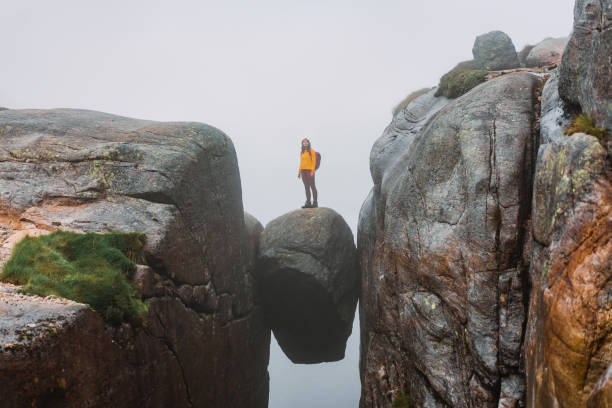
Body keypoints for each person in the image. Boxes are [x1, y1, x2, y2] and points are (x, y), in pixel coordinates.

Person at [298, 138, 318, 208]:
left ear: (308, 143)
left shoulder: (311, 151)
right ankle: (308, 202)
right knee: (306, 187)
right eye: (304, 142)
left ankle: (315, 202)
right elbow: (301, 162)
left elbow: (314, 161)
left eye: (306, 142)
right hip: (303, 171)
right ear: (302, 144)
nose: (305, 143)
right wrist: (299, 171)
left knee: (312, 186)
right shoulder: (302, 152)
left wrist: (312, 171)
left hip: (309, 171)